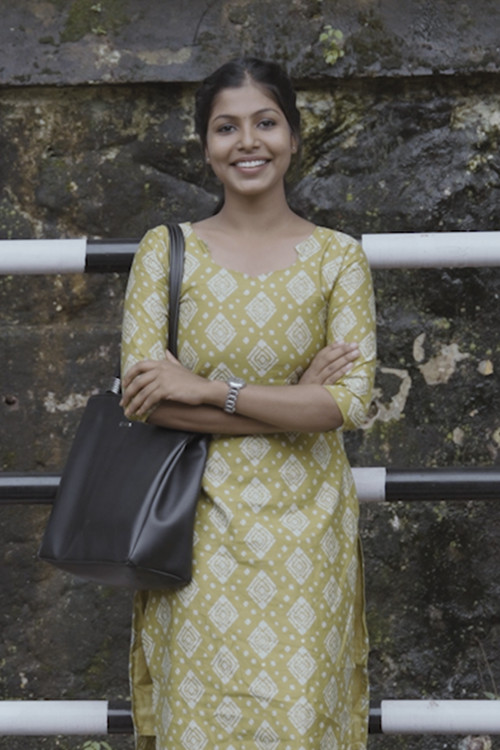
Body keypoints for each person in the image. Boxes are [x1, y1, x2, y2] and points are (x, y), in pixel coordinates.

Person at [120, 57, 376, 750]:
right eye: (226, 127)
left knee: (301, 720)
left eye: (266, 122)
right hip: (192, 526)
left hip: (307, 532)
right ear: (206, 146)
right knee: (199, 721)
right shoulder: (165, 251)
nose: (248, 142)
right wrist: (295, 399)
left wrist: (207, 388)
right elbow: (144, 402)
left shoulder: (338, 259)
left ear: (293, 135)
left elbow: (346, 404)